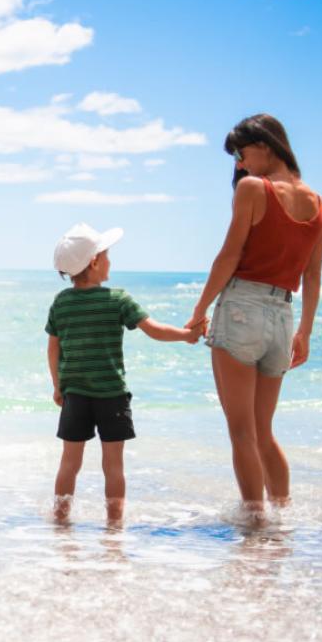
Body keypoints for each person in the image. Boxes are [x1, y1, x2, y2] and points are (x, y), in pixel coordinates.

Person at [186, 113, 322, 519]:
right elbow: (312, 276)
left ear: (265, 146)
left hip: (242, 310)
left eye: (241, 153)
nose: (239, 164)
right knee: (263, 432)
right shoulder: (318, 204)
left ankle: (254, 522)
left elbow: (230, 255)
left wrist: (198, 312)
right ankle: (282, 517)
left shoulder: (253, 189)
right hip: (283, 317)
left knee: (241, 431)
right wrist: (305, 332)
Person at [47, 223, 205, 524]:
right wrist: (186, 335)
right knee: (114, 465)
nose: (110, 262)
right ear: (94, 263)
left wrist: (58, 386)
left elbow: (53, 348)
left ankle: (60, 519)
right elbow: (153, 330)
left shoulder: (61, 302)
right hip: (111, 396)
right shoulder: (117, 299)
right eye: (106, 256)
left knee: (69, 463)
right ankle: (114, 523)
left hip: (75, 395)